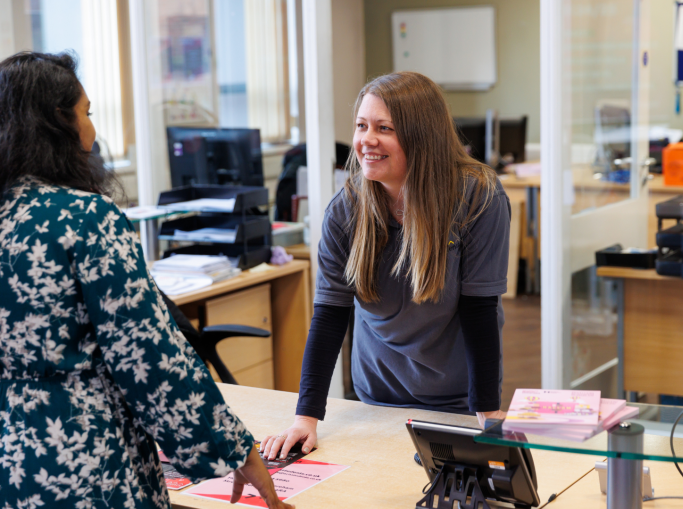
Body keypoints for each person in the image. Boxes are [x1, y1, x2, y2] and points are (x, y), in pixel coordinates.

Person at [0, 52, 292, 509]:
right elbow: (152, 362)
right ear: (60, 123)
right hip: (85, 470)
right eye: (87, 113)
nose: (93, 131)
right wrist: (234, 448)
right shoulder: (85, 219)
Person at [262, 71, 510, 461]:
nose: (366, 140)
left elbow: (480, 309)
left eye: (384, 128)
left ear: (421, 136)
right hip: (375, 396)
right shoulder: (345, 209)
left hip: (457, 398)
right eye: (362, 126)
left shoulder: (478, 196)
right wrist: (305, 419)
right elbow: (329, 316)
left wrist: (489, 415)